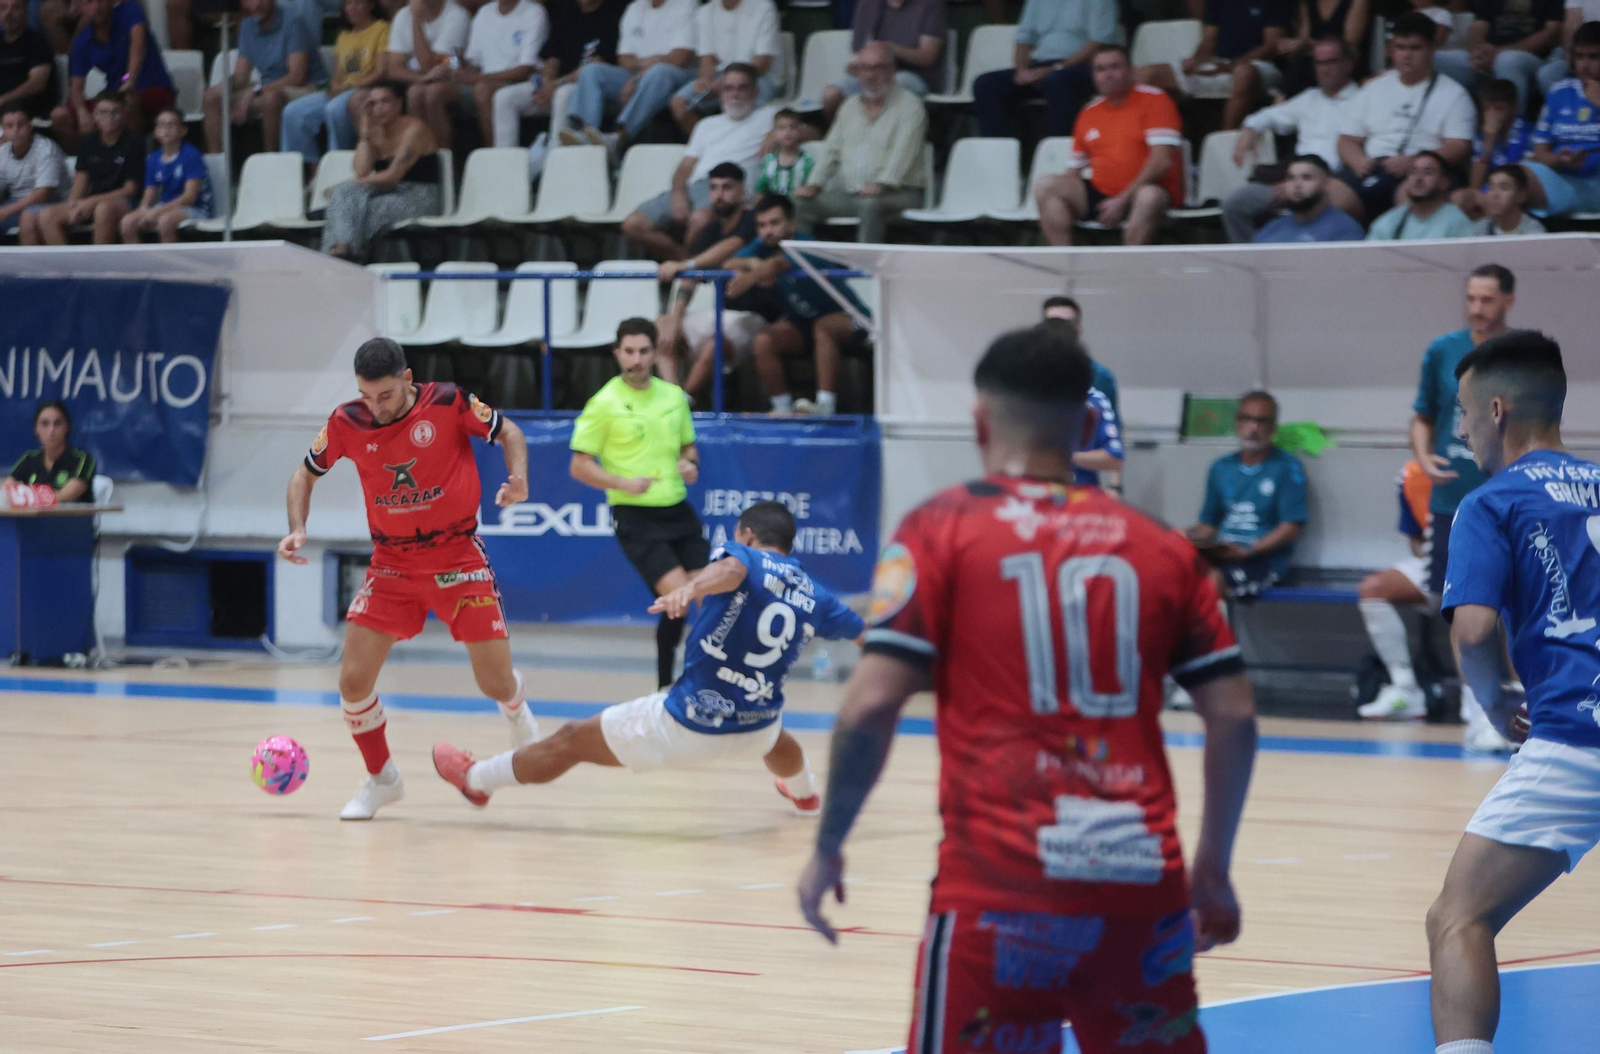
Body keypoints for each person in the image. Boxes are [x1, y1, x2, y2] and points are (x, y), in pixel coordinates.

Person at [795, 324, 1258, 1054]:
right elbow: (1232, 715)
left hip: (998, 894)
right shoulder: (1162, 546)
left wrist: (829, 845)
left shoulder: (939, 528)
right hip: (1139, 888)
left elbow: (872, 703)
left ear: (980, 421)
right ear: (1083, 425)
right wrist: (1214, 870)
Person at [433, 501, 865, 814]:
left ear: (747, 535)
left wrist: (689, 588)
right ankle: (805, 794)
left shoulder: (744, 557)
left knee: (570, 739)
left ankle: (476, 781)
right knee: (777, 738)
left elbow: (732, 571)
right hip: (755, 725)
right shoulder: (819, 597)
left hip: (686, 724)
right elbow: (867, 636)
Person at [1426, 331, 1600, 1054]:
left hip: (1575, 739)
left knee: (1458, 919)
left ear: (1495, 410)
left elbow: (1471, 632)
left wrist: (1496, 705)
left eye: (1463, 418)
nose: (1461, 435)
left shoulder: (1491, 502)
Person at [277, 337, 537, 820]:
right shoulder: (345, 421)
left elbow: (511, 433)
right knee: (353, 681)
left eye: (386, 396)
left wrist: (517, 477)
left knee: (495, 683)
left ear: (408, 378)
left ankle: (516, 708)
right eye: (366, 396)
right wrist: (297, 528)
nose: (375, 408)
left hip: (457, 557)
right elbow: (303, 474)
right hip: (392, 563)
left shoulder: (448, 401)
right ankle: (382, 780)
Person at [570, 318, 709, 690]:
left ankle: (686, 684)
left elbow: (688, 446)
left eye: (644, 351)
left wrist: (690, 465)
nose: (636, 359)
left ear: (655, 352)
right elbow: (579, 465)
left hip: (678, 511)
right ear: (617, 353)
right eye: (629, 352)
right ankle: (668, 688)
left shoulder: (673, 396)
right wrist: (621, 483)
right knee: (679, 598)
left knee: (711, 598)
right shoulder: (604, 403)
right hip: (636, 517)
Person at [1412, 263, 1515, 754]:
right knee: (1463, 614)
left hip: (1509, 500)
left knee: (1514, 611)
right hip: (1454, 500)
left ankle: (1522, 708)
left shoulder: (1522, 354)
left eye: (1487, 300)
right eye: (1471, 298)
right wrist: (1422, 456)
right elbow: (1422, 416)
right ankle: (1477, 712)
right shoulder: (1441, 349)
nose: (1477, 309)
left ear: (1507, 301)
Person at [733, 194, 872, 417]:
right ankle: (782, 408)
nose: (767, 231)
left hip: (849, 317)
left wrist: (754, 275)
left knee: (823, 327)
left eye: (774, 223)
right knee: (764, 340)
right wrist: (752, 263)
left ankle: (825, 407)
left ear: (792, 223)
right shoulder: (762, 246)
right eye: (761, 225)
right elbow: (729, 262)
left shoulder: (807, 245)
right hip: (803, 323)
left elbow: (779, 265)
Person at [620, 63, 773, 261]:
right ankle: (690, 267)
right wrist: (678, 194)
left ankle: (690, 273)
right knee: (633, 224)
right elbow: (685, 166)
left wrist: (775, 135)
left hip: (732, 188)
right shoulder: (706, 125)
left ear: (755, 92)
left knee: (700, 220)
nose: (734, 94)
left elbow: (810, 133)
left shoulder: (769, 116)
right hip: (696, 186)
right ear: (720, 92)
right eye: (728, 88)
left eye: (742, 87)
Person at [1036, 44, 1183, 247]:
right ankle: (1066, 264)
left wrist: (1122, 199)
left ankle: (1126, 271)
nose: (1108, 75)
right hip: (1102, 192)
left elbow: (1162, 161)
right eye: (1100, 69)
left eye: (1115, 67)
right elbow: (1074, 171)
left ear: (1131, 71)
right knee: (1047, 185)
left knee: (1149, 197)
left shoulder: (1155, 100)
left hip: (1147, 191)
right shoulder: (1089, 112)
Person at [1336, 12, 1476, 222]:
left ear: (1431, 49)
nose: (1406, 55)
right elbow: (1347, 140)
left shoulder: (1455, 94)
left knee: (1411, 193)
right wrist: (1358, 161)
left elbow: (1458, 146)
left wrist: (1413, 162)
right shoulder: (1372, 88)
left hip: (1420, 170)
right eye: (1400, 48)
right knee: (1330, 194)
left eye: (1415, 48)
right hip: (1372, 166)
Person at [1222, 37, 1363, 243]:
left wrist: (1304, 185)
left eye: (1330, 62)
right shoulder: (1309, 98)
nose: (1323, 69)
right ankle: (1254, 260)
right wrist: (1249, 130)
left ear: (1348, 63)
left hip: (1335, 183)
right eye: (1318, 63)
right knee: (1235, 203)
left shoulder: (1364, 99)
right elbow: (1266, 116)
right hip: (1294, 177)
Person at [654, 162, 775, 400]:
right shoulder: (710, 229)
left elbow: (733, 246)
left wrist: (687, 264)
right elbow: (691, 278)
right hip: (719, 315)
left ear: (742, 191)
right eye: (714, 188)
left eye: (727, 187)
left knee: (715, 343)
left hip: (755, 316)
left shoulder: (754, 221)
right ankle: (673, 399)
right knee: (660, 327)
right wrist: (675, 318)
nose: (719, 195)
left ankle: (683, 404)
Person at [793, 41, 927, 244]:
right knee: (798, 202)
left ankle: (866, 269)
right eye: (864, 68)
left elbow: (904, 152)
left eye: (878, 67)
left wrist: (883, 183)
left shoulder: (910, 106)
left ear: (892, 70)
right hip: (853, 194)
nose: (870, 75)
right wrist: (814, 183)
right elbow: (831, 150)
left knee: (869, 205)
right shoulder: (849, 106)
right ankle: (808, 261)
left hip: (900, 193)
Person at [1186, 390, 1309, 599]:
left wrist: (1249, 551)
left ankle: (1217, 632)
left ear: (1273, 427)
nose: (1254, 427)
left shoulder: (1287, 468)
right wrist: (1182, 538)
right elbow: (1209, 525)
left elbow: (1291, 527)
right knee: (1170, 572)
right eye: (1247, 419)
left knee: (1213, 580)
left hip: (1263, 560)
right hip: (1224, 555)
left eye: (1262, 421)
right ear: (1237, 423)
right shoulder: (1221, 468)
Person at [557, 0, 696, 159]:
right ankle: (585, 135)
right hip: (638, 74)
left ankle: (618, 139)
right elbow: (623, 58)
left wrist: (642, 73)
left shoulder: (685, 4)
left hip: (679, 77)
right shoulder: (635, 8)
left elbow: (681, 57)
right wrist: (641, 71)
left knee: (659, 72)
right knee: (591, 71)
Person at [321, 82, 442, 259]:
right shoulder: (374, 132)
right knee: (349, 199)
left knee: (358, 208)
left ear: (399, 104)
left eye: (385, 102)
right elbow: (362, 171)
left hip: (419, 196)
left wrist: (345, 184)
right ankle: (343, 250)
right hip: (387, 194)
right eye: (373, 103)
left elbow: (392, 177)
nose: (379, 108)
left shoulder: (414, 130)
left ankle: (342, 257)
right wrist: (364, 133)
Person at [406, 0, 547, 150]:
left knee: (482, 90)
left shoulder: (533, 12)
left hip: (515, 82)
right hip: (482, 80)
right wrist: (456, 65)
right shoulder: (484, 13)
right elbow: (473, 62)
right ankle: (439, 157)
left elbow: (525, 70)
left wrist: (475, 78)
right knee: (425, 92)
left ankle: (491, 153)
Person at [1356, 460, 1436, 720]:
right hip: (1437, 563)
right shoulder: (1411, 474)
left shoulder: (1482, 466)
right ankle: (1405, 689)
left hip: (1484, 564)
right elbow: (1416, 542)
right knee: (1373, 589)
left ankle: (1488, 701)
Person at [972, 0, 1117, 139]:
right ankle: (1000, 154)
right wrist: (1021, 70)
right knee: (986, 84)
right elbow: (1024, 39)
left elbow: (1099, 42)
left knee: (1057, 82)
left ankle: (1059, 151)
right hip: (1041, 66)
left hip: (1083, 67)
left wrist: (1056, 68)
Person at [490, 0, 625, 149]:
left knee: (562, 94)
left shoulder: (614, 11)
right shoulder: (567, 10)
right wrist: (546, 82)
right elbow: (553, 57)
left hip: (584, 86)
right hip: (555, 84)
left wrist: (556, 84)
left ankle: (555, 157)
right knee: (504, 97)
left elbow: (596, 64)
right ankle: (505, 160)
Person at [1138, 0, 1291, 131]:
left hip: (1261, 66)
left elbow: (1272, 45)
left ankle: (1224, 144)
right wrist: (1196, 61)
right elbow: (1208, 40)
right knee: (1147, 74)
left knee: (1243, 73)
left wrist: (1232, 65)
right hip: (1219, 64)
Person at [204, 0, 328, 156]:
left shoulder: (293, 22)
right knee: (211, 97)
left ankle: (272, 162)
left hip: (308, 88)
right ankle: (217, 165)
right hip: (268, 87)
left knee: (271, 99)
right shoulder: (247, 26)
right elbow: (241, 75)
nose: (256, 5)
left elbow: (297, 77)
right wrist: (222, 89)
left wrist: (255, 91)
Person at [52, 0, 174, 153]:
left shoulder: (130, 10)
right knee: (59, 116)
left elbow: (138, 46)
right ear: (80, 7)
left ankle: (130, 164)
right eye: (89, 2)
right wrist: (82, 112)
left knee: (128, 102)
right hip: (115, 94)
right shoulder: (82, 41)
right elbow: (76, 88)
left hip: (153, 89)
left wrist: (128, 79)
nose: (97, 7)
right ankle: (85, 165)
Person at [281, 0, 391, 166]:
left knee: (334, 108)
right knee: (293, 112)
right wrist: (330, 87)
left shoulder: (381, 28)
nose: (352, 8)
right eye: (348, 4)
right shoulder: (343, 36)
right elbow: (339, 76)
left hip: (366, 89)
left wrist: (350, 87)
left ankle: (338, 165)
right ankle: (307, 170)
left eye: (358, 3)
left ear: (370, 5)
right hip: (343, 90)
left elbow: (381, 71)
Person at [24, 90, 141, 245]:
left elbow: (130, 189)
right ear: (95, 115)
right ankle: (65, 267)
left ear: (123, 115)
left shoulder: (134, 142)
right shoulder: (88, 142)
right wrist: (73, 204)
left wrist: (91, 201)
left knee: (103, 210)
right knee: (47, 215)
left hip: (124, 202)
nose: (109, 118)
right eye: (103, 112)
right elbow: (81, 178)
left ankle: (100, 266)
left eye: (115, 112)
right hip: (92, 201)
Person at [1521, 20, 1600, 219]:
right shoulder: (1559, 91)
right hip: (1565, 181)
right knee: (1515, 177)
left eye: (1594, 57)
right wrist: (1560, 160)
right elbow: (1540, 152)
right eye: (1579, 56)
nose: (1585, 65)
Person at [821, 0, 945, 123]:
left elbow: (928, 56)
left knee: (891, 89)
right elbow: (860, 51)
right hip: (873, 70)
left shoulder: (930, 4)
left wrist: (890, 49)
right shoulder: (868, 3)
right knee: (832, 94)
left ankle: (880, 139)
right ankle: (841, 137)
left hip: (914, 75)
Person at [669, 0, 782, 135]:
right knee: (680, 103)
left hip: (759, 76)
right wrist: (705, 80)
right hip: (721, 75)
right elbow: (706, 58)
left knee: (740, 101)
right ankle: (712, 145)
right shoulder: (706, 11)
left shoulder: (763, 7)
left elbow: (762, 63)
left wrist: (726, 82)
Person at [1435, 0, 1562, 114]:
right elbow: (1478, 26)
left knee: (1507, 60)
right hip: (1487, 56)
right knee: (1432, 59)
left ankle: (1511, 131)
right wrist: (1477, 53)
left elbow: (1551, 33)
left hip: (1532, 59)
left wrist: (1498, 53)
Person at [120, 106, 211, 242]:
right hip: (165, 205)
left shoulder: (192, 155)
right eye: (162, 125)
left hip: (195, 208)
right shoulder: (153, 158)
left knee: (165, 221)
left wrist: (157, 212)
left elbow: (189, 197)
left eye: (171, 124)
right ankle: (138, 262)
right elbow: (150, 192)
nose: (166, 129)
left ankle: (168, 263)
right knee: (127, 222)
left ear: (183, 130)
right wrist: (144, 209)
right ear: (156, 132)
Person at [1453, 78, 1531, 218]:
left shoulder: (1525, 133)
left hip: (1514, 195)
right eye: (1486, 108)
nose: (1492, 115)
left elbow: (1512, 175)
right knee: (1460, 197)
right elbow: (1474, 185)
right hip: (1487, 193)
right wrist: (1489, 139)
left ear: (1514, 108)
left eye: (1499, 108)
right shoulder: (1483, 136)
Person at [1253, 153, 1368, 241]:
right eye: (1291, 178)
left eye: (1307, 178)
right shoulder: (1272, 229)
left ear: (1326, 184)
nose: (1297, 185)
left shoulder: (1345, 230)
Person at [1365, 149, 1477, 239]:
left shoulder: (1457, 221)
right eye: (1413, 172)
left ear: (1444, 182)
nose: (1418, 178)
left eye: (1428, 172)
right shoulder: (1389, 221)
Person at [1041, 295, 1118, 419]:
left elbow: (1111, 427)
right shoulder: (1028, 375)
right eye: (1054, 323)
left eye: (1067, 324)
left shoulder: (1099, 376)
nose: (1060, 330)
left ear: (1078, 329)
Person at [1277, 0, 1371, 95]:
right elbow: (1304, 37)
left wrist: (1305, 44)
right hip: (1312, 60)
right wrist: (1290, 46)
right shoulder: (1306, 3)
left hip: (1345, 61)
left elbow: (1350, 43)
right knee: (1297, 65)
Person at [10, 401, 95, 504]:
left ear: (67, 427)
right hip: (31, 519)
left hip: (69, 519)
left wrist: (26, 496)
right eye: (45, 424)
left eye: (57, 423)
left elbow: (65, 496)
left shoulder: (82, 459)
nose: (51, 430)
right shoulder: (29, 458)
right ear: (36, 429)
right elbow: (7, 490)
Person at [381, 0, 471, 94]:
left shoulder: (457, 15)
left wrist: (416, 19)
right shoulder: (403, 15)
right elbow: (394, 69)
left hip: (451, 77)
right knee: (415, 92)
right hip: (417, 80)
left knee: (428, 92)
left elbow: (430, 66)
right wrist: (421, 79)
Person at [0, 100, 61, 231]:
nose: (16, 130)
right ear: (3, 129)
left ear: (30, 125)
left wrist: (5, 212)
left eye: (21, 124)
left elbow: (43, 194)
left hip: (49, 204)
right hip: (14, 203)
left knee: (27, 217)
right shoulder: (3, 152)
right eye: (9, 126)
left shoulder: (46, 150)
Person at [0, 0, 53, 126]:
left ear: (26, 12)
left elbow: (37, 84)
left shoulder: (37, 42)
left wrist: (3, 99)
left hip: (26, 107)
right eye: (3, 8)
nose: (9, 13)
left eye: (16, 8)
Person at [1537, 0, 1600, 92]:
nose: (1585, 66)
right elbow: (1572, 23)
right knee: (1549, 74)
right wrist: (1571, 58)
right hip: (1582, 44)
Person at [752, 107, 813, 196]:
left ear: (800, 130)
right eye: (782, 128)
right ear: (774, 133)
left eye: (793, 127)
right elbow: (761, 190)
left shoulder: (808, 161)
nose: (788, 131)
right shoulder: (768, 161)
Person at [1473, 162, 1547, 233]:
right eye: (1491, 188)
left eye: (1503, 188)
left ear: (1521, 195)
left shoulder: (1534, 233)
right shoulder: (1481, 228)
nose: (1494, 195)